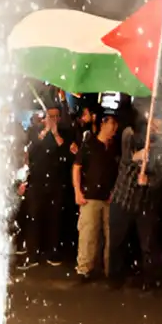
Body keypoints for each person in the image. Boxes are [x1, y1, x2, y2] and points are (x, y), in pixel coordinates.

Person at [107, 114, 162, 290]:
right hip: (123, 200)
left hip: (145, 206)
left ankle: (150, 282)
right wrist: (139, 155)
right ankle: (114, 279)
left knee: (148, 246)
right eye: (152, 124)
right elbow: (127, 157)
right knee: (117, 242)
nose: (153, 128)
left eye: (158, 127)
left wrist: (148, 181)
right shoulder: (130, 136)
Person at [19, 104, 73, 270]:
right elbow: (30, 151)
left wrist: (55, 132)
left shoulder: (64, 132)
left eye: (56, 116)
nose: (53, 119)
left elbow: (66, 152)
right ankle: (32, 253)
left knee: (54, 217)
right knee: (33, 216)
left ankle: (53, 252)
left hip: (56, 182)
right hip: (37, 181)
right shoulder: (35, 131)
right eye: (50, 116)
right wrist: (45, 132)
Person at [72, 114, 121, 282]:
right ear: (103, 124)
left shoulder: (113, 148)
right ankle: (84, 269)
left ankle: (107, 270)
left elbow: (117, 173)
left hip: (108, 197)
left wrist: (113, 192)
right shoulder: (89, 144)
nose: (113, 130)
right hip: (90, 196)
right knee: (88, 234)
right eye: (111, 126)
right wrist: (77, 191)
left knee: (109, 235)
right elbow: (77, 167)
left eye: (115, 127)